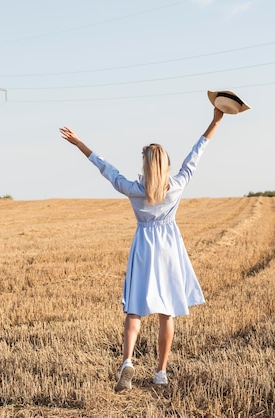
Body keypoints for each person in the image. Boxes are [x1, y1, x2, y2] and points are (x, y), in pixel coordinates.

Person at [59, 106, 224, 393]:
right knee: (166, 312)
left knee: (135, 310)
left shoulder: (133, 189)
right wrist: (215, 121)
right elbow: (196, 154)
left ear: (146, 166)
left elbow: (105, 168)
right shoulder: (178, 185)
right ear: (166, 165)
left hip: (144, 248)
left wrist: (79, 144)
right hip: (169, 248)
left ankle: (127, 361)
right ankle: (160, 372)